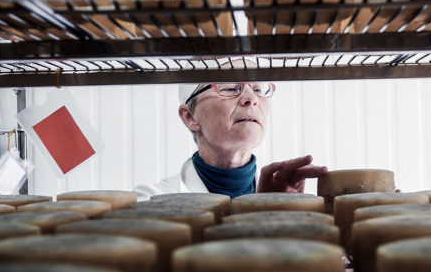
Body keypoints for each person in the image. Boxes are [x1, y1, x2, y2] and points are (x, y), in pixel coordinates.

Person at [135, 81, 327, 199]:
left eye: (259, 89)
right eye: (230, 88)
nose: (251, 98)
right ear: (190, 117)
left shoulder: (290, 198)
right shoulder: (150, 200)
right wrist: (258, 219)